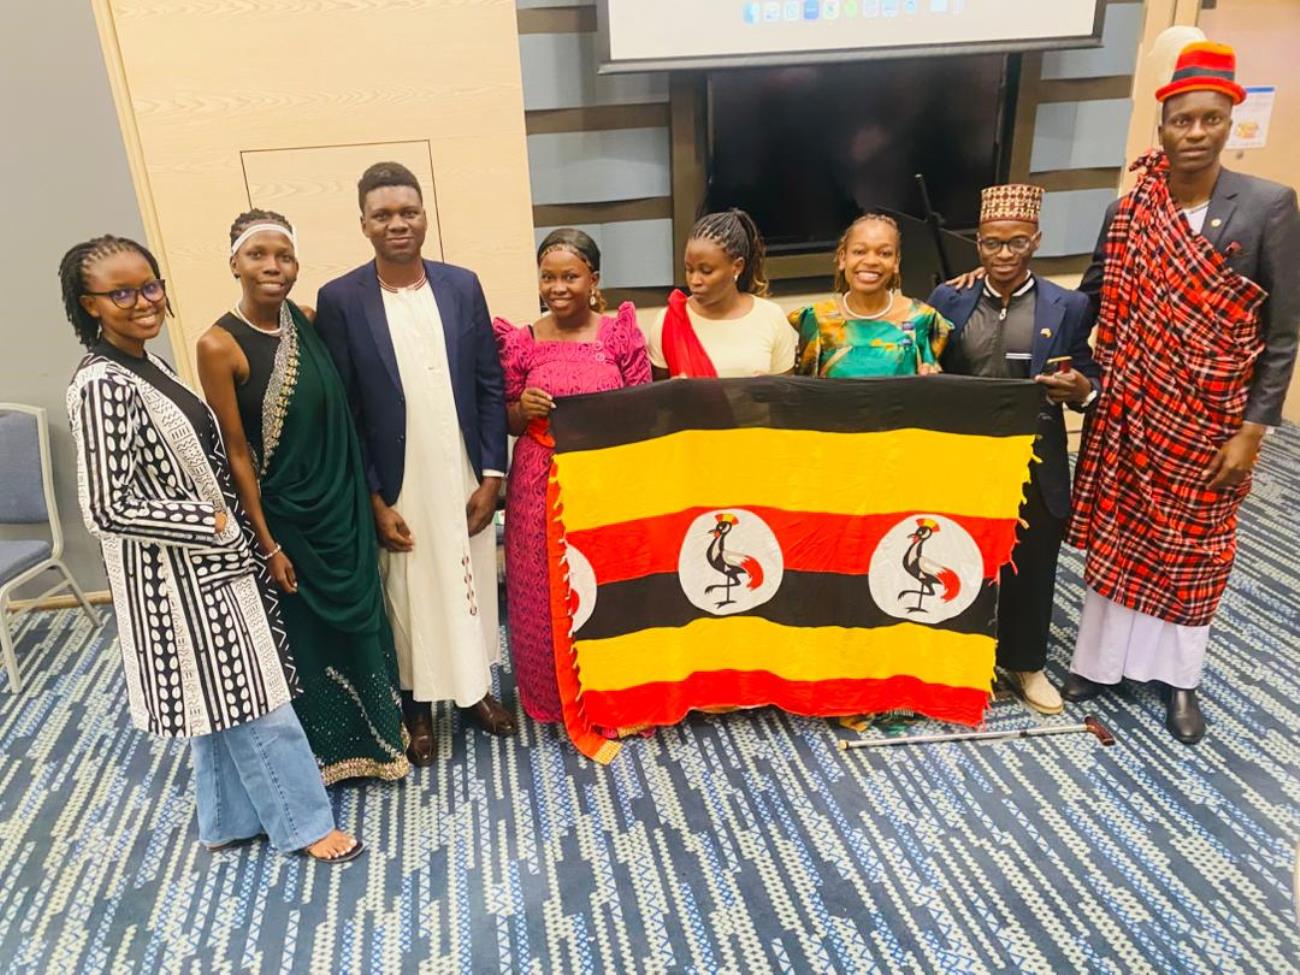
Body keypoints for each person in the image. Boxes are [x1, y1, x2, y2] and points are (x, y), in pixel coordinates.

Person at [60, 235, 361, 862]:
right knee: (258, 700)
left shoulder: (147, 363)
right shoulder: (102, 385)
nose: (144, 301)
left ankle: (226, 820)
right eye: (121, 294)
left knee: (218, 702)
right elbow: (106, 507)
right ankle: (306, 826)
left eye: (150, 286)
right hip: (180, 583)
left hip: (210, 569)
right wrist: (212, 520)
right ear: (91, 305)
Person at [1063, 42, 1300, 743]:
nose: (1195, 133)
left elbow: (1283, 334)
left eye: (1209, 119)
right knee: (1120, 538)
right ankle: (1101, 664)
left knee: (1196, 552)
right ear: (1161, 127)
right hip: (1129, 416)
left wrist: (1252, 431)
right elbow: (1087, 306)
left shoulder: (1268, 206)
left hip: (1212, 423)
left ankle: (1179, 679)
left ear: (1229, 123)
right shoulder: (1128, 212)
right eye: (1182, 120)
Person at [195, 210, 409, 785]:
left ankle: (380, 741)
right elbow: (236, 453)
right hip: (288, 520)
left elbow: (345, 414)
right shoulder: (218, 345)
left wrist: (369, 503)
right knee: (308, 639)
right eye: (257, 255)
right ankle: (326, 754)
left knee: (362, 623)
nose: (273, 267)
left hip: (342, 509)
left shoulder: (307, 321)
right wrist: (266, 544)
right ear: (234, 263)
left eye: (284, 256)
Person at [314, 162, 516, 768]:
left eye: (408, 211)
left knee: (467, 578)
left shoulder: (462, 285)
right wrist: (374, 499)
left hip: (462, 470)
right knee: (407, 591)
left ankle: (474, 691)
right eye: (383, 215)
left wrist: (492, 476)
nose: (397, 223)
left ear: (425, 216)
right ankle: (417, 707)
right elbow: (347, 409)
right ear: (363, 224)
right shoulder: (341, 299)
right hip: (397, 479)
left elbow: (489, 384)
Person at [928, 185, 1100, 714]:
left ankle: (1027, 664)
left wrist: (1083, 391)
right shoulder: (948, 299)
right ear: (977, 244)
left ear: (1036, 241)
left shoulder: (1068, 306)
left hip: (1035, 455)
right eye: (992, 244)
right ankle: (958, 664)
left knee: (1033, 562)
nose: (1004, 255)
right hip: (963, 455)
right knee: (958, 556)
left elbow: (1088, 373)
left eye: (1017, 243)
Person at [493, 229, 651, 722]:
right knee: (543, 587)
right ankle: (552, 696)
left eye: (570, 276)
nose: (557, 288)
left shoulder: (620, 335)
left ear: (594, 280)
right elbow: (505, 418)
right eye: (548, 277)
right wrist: (522, 409)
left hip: (605, 480)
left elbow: (644, 409)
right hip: (539, 481)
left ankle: (611, 690)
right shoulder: (521, 342)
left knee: (608, 580)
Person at [791, 213, 950, 377]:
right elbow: (804, 388)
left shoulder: (923, 318)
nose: (871, 261)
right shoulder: (816, 319)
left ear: (896, 262)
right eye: (859, 251)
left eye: (884, 253)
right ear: (843, 258)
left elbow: (938, 384)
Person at [645, 209, 795, 379]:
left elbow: (788, 392)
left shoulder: (770, 317)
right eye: (689, 269)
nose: (694, 280)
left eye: (706, 271)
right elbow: (659, 392)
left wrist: (768, 389)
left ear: (737, 267)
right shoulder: (668, 322)